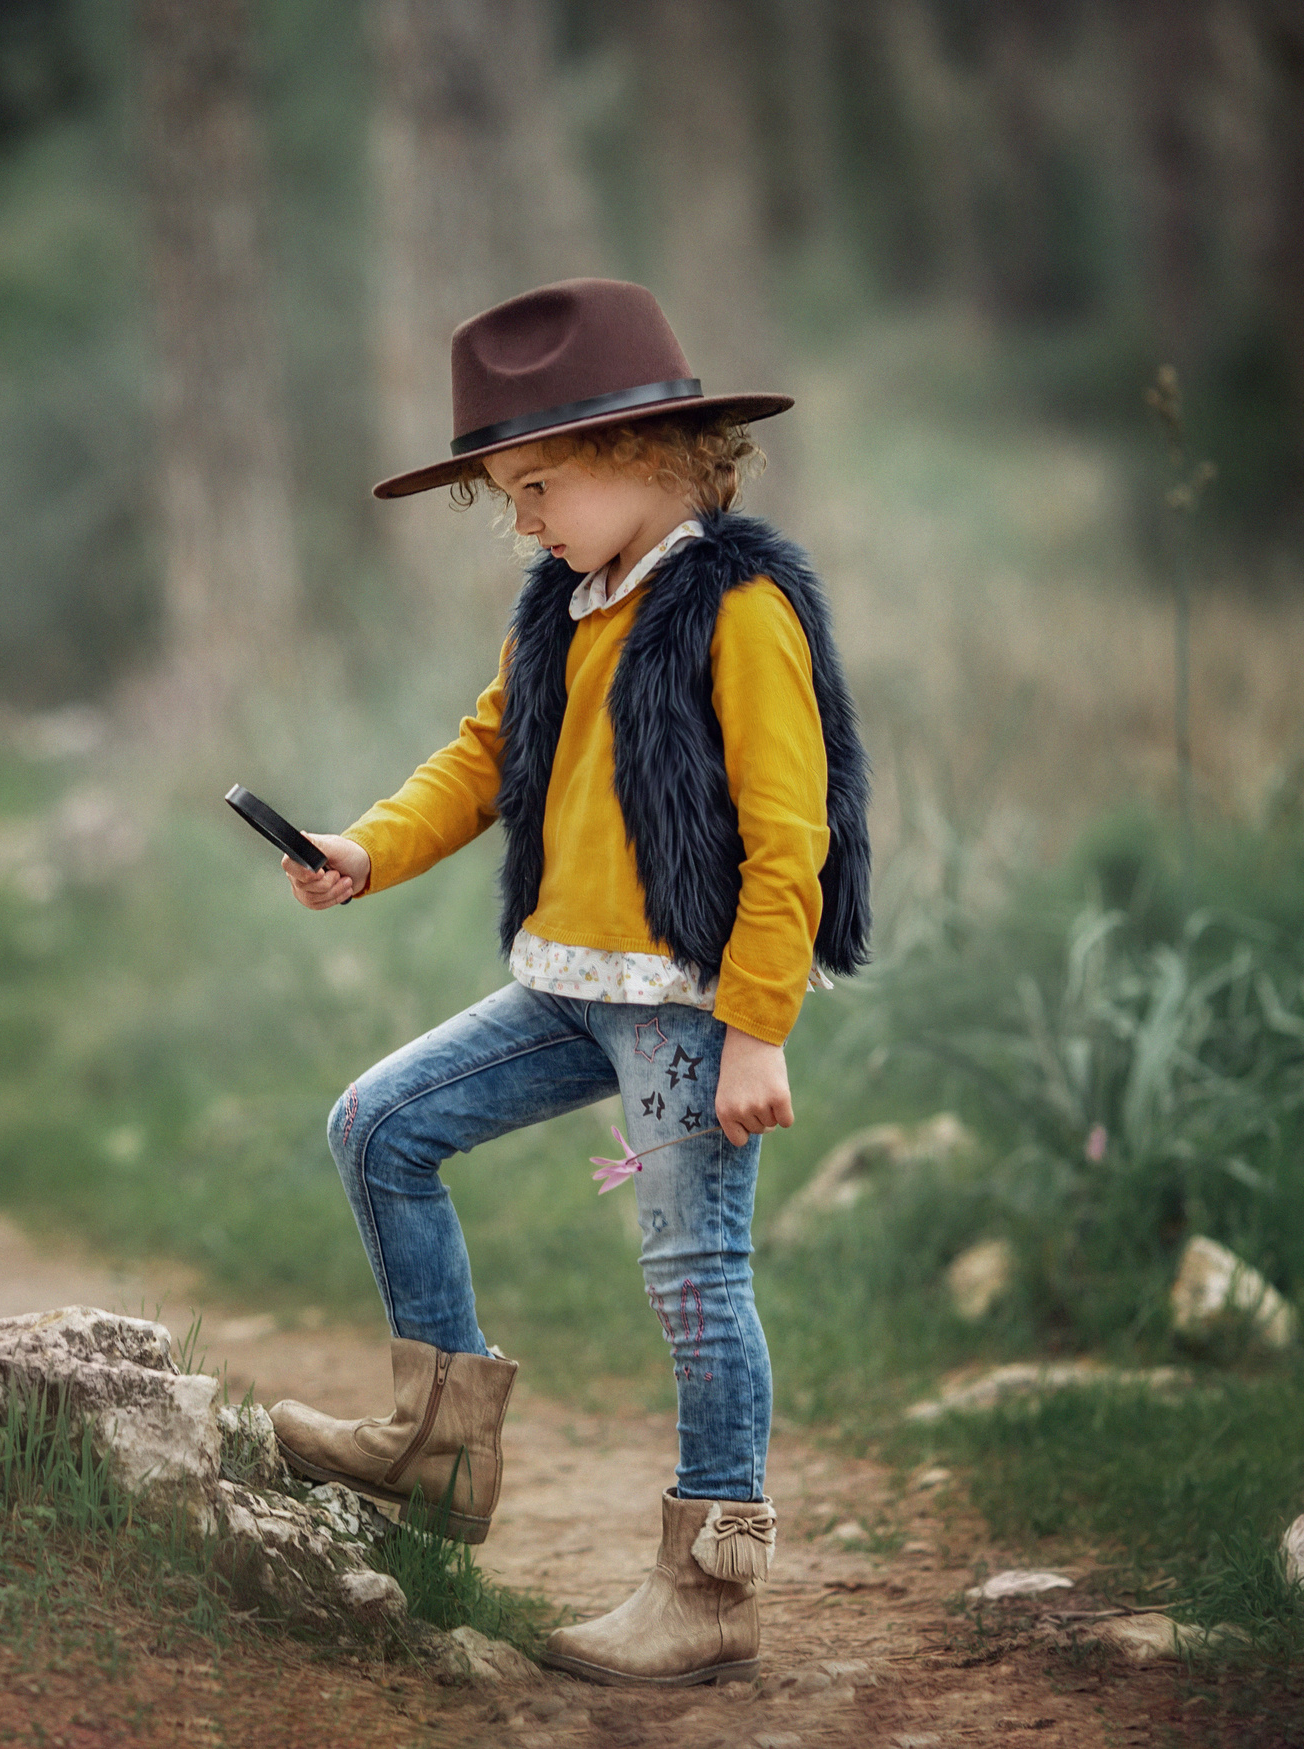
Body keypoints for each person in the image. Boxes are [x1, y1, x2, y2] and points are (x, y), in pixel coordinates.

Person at [265, 278, 870, 1688]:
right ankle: (439, 1443)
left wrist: (757, 1029)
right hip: (566, 980)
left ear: (650, 455)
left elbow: (793, 837)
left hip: (686, 1004)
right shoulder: (564, 604)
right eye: (504, 495)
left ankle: (712, 1578)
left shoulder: (741, 607)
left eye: (537, 485)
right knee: (380, 1124)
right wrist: (365, 850)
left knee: (695, 1277)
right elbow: (486, 755)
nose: (522, 520)